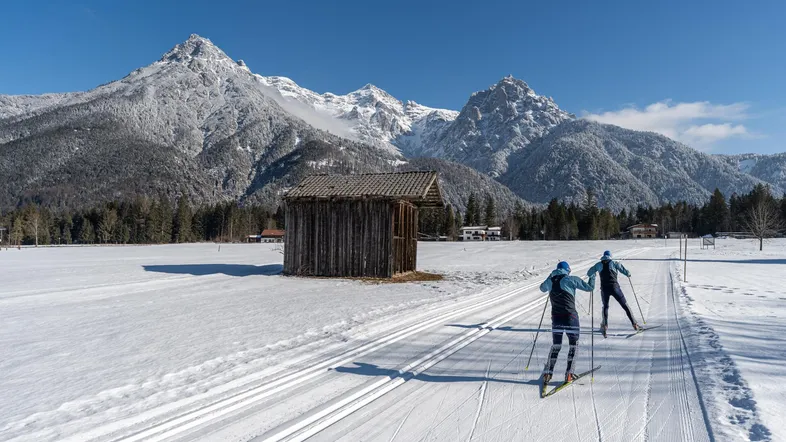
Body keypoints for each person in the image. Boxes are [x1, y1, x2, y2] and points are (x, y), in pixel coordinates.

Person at [539, 261, 595, 389]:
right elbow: (590, 288)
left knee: (556, 345)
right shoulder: (571, 279)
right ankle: (569, 374)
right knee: (573, 345)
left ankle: (548, 374)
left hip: (556, 318)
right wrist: (593, 276)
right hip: (571, 317)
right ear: (568, 270)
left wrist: (550, 276)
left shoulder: (550, 281)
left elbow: (542, 288)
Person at [587, 251, 641, 337]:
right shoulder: (614, 263)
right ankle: (635, 324)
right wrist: (628, 274)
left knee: (605, 306)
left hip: (604, 289)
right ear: (610, 256)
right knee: (625, 305)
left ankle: (604, 326)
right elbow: (624, 271)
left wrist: (593, 276)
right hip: (615, 288)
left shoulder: (598, 264)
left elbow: (589, 273)